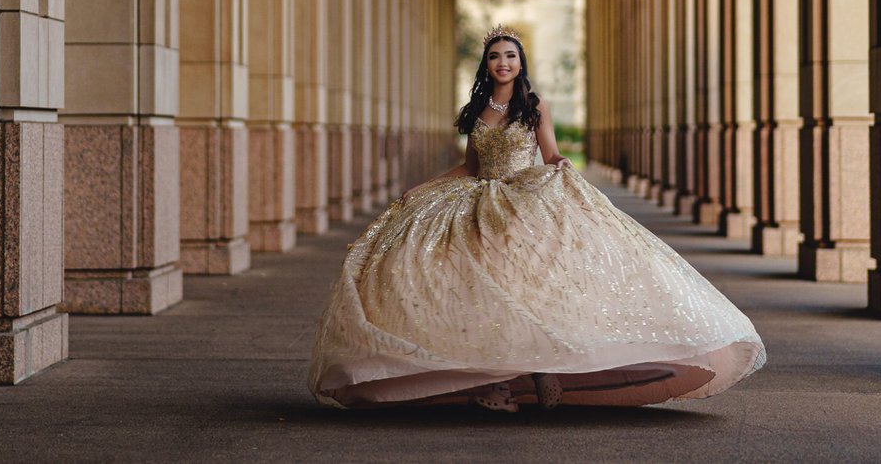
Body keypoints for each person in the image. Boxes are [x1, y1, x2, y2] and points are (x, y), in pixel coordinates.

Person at [308, 25, 765, 411]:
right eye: (494, 57)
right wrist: (423, 188)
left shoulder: (534, 105)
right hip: (477, 198)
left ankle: (545, 368)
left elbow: (549, 154)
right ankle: (497, 380)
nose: (502, 63)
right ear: (485, 65)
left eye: (510, 56)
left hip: (522, 199)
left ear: (520, 62)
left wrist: (563, 167)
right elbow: (470, 168)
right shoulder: (476, 111)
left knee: (527, 283)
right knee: (471, 284)